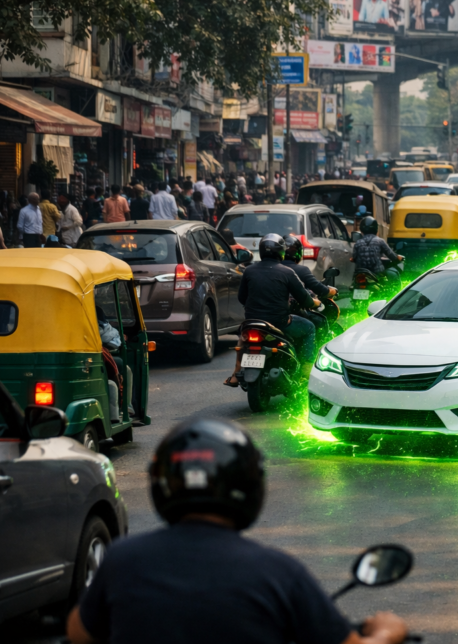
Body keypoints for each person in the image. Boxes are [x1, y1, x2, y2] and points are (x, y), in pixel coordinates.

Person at [66, 418, 409, 644]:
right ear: (251, 486)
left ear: (161, 484)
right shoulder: (278, 572)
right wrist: (386, 633)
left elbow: (79, 632)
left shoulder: (123, 560)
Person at [224, 234, 320, 388]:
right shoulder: (287, 272)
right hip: (279, 323)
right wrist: (314, 302)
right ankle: (305, 372)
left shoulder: (249, 271)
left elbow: (242, 298)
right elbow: (304, 300)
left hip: (251, 322)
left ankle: (235, 374)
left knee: (241, 340)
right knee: (309, 328)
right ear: (281, 252)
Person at [352, 217, 403, 283]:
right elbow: (391, 255)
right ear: (376, 229)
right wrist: (397, 258)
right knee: (389, 279)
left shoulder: (358, 243)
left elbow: (354, 257)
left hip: (361, 272)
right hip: (377, 272)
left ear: (361, 230)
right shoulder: (380, 241)